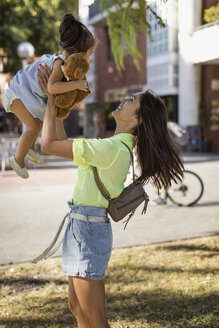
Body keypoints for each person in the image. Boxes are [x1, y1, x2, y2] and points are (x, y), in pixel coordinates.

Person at [38, 65, 184, 328]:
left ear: (138, 119)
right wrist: (61, 100)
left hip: (88, 230)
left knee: (95, 318)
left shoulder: (111, 149)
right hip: (81, 226)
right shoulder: (112, 147)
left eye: (130, 101)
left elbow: (48, 144)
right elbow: (59, 139)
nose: (123, 101)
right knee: (76, 307)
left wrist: (52, 94)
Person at [3, 13, 97, 179]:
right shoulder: (59, 63)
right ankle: (18, 159)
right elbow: (52, 87)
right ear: (78, 52)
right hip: (17, 93)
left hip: (24, 93)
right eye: (89, 54)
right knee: (33, 127)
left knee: (38, 125)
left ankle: (30, 149)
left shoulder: (62, 64)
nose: (89, 59)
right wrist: (75, 85)